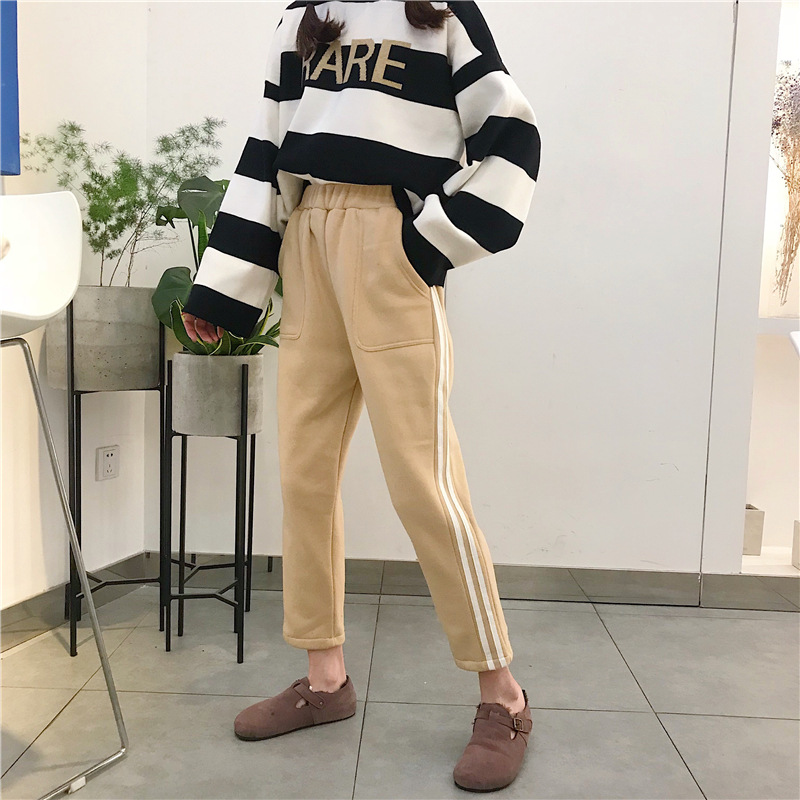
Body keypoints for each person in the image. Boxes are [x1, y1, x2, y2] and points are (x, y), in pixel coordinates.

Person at [181, 0, 541, 792]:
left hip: (391, 247)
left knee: (423, 480)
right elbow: (266, 149)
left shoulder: (438, 15)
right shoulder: (302, 20)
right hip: (308, 237)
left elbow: (513, 136)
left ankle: (503, 695)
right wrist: (224, 289)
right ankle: (325, 677)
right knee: (304, 472)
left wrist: (428, 242)